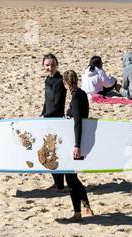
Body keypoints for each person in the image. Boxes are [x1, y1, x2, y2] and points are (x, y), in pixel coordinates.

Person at [61, 70, 94, 221]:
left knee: (71, 179)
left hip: (77, 142)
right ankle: (86, 207)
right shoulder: (81, 94)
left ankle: (78, 213)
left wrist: (77, 145)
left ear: (65, 83)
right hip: (81, 140)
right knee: (73, 178)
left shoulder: (75, 99)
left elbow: (78, 123)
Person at [40, 53, 67, 192]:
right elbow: (47, 100)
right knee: (49, 152)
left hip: (57, 119)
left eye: (52, 65)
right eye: (47, 65)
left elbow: (57, 103)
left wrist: (48, 117)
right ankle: (56, 183)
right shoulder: (47, 80)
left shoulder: (60, 81)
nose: (50, 68)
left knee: (56, 152)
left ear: (57, 65)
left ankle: (60, 184)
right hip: (48, 119)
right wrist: (43, 113)